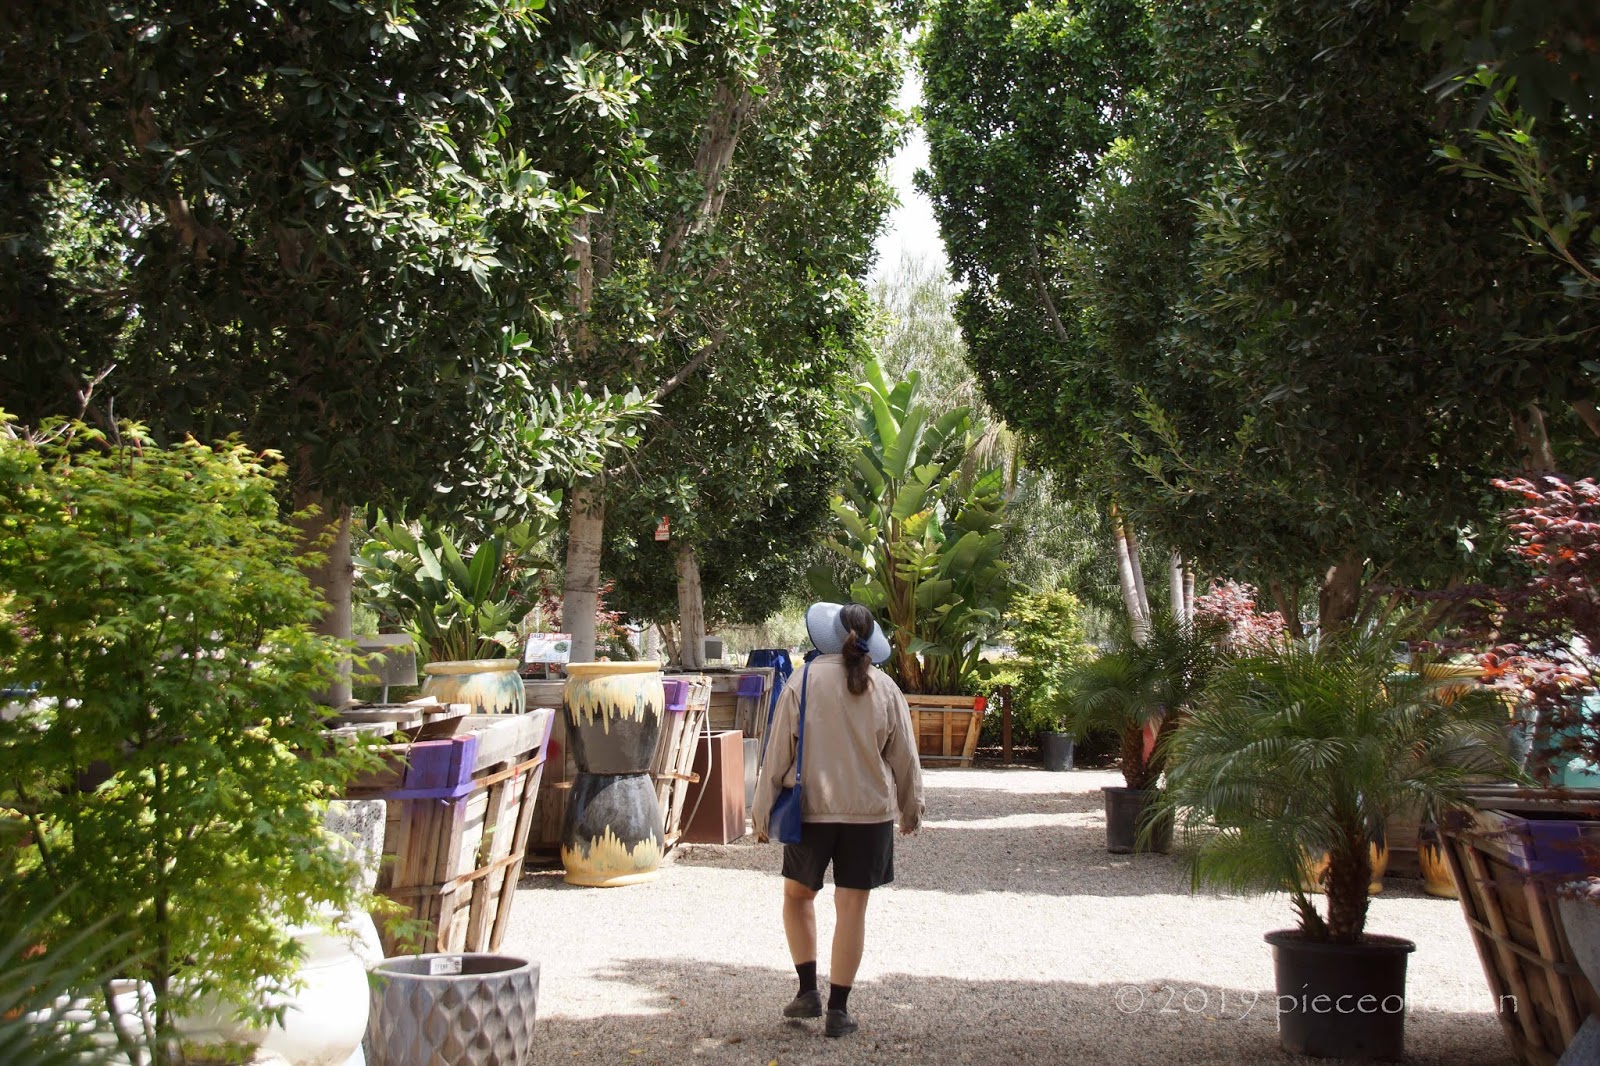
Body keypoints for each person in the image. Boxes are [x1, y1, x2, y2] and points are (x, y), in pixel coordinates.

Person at [751, 602, 924, 1038]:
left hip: (811, 811)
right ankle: (839, 1011)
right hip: (870, 816)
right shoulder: (886, 688)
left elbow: (778, 753)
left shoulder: (803, 680)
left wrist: (760, 811)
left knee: (797, 896)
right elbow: (905, 757)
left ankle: (807, 990)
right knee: (852, 909)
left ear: (830, 635)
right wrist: (911, 809)